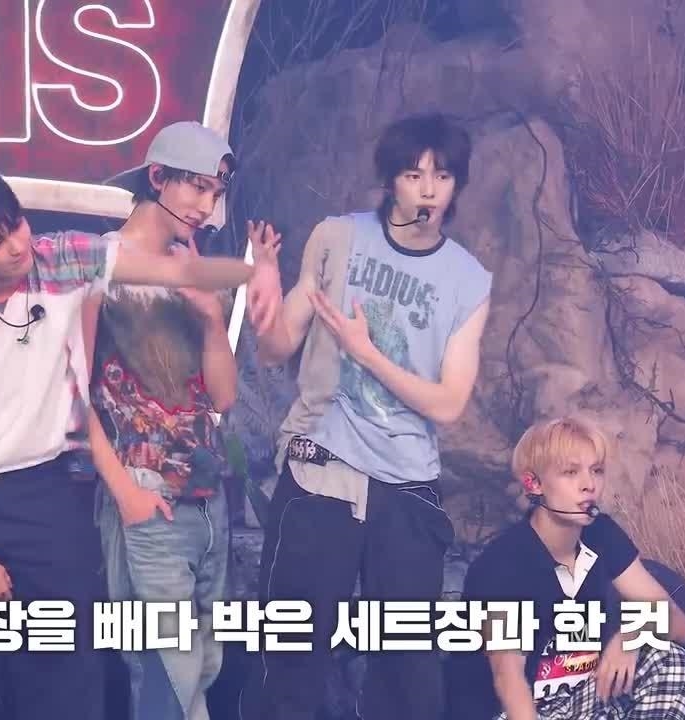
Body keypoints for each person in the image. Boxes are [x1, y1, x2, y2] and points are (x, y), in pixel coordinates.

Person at [0, 161, 281, 720]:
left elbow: (175, 272)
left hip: (46, 488)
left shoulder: (63, 259)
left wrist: (258, 272)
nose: (17, 247)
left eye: (16, 225)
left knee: (68, 665)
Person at [238, 112, 493, 720]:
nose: (428, 190)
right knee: (291, 653)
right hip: (321, 465)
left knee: (407, 671)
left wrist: (367, 353)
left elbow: (449, 403)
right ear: (390, 179)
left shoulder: (468, 279)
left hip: (406, 483)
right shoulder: (338, 237)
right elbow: (277, 348)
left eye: (442, 177)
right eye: (413, 174)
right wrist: (264, 289)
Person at [85, 121, 280, 720]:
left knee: (201, 668)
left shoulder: (193, 268)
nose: (206, 206)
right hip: (145, 494)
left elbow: (222, 396)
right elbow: (72, 393)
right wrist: (125, 494)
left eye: (215, 193)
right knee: (164, 673)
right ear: (157, 177)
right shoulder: (99, 264)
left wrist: (210, 318)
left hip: (206, 496)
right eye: (196, 187)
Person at [448, 416, 685, 720]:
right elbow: (509, 680)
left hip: (579, 701)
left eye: (596, 470)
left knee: (667, 657)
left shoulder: (601, 535)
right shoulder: (502, 564)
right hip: (512, 712)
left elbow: (680, 623)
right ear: (534, 484)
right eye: (570, 472)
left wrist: (631, 636)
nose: (589, 485)